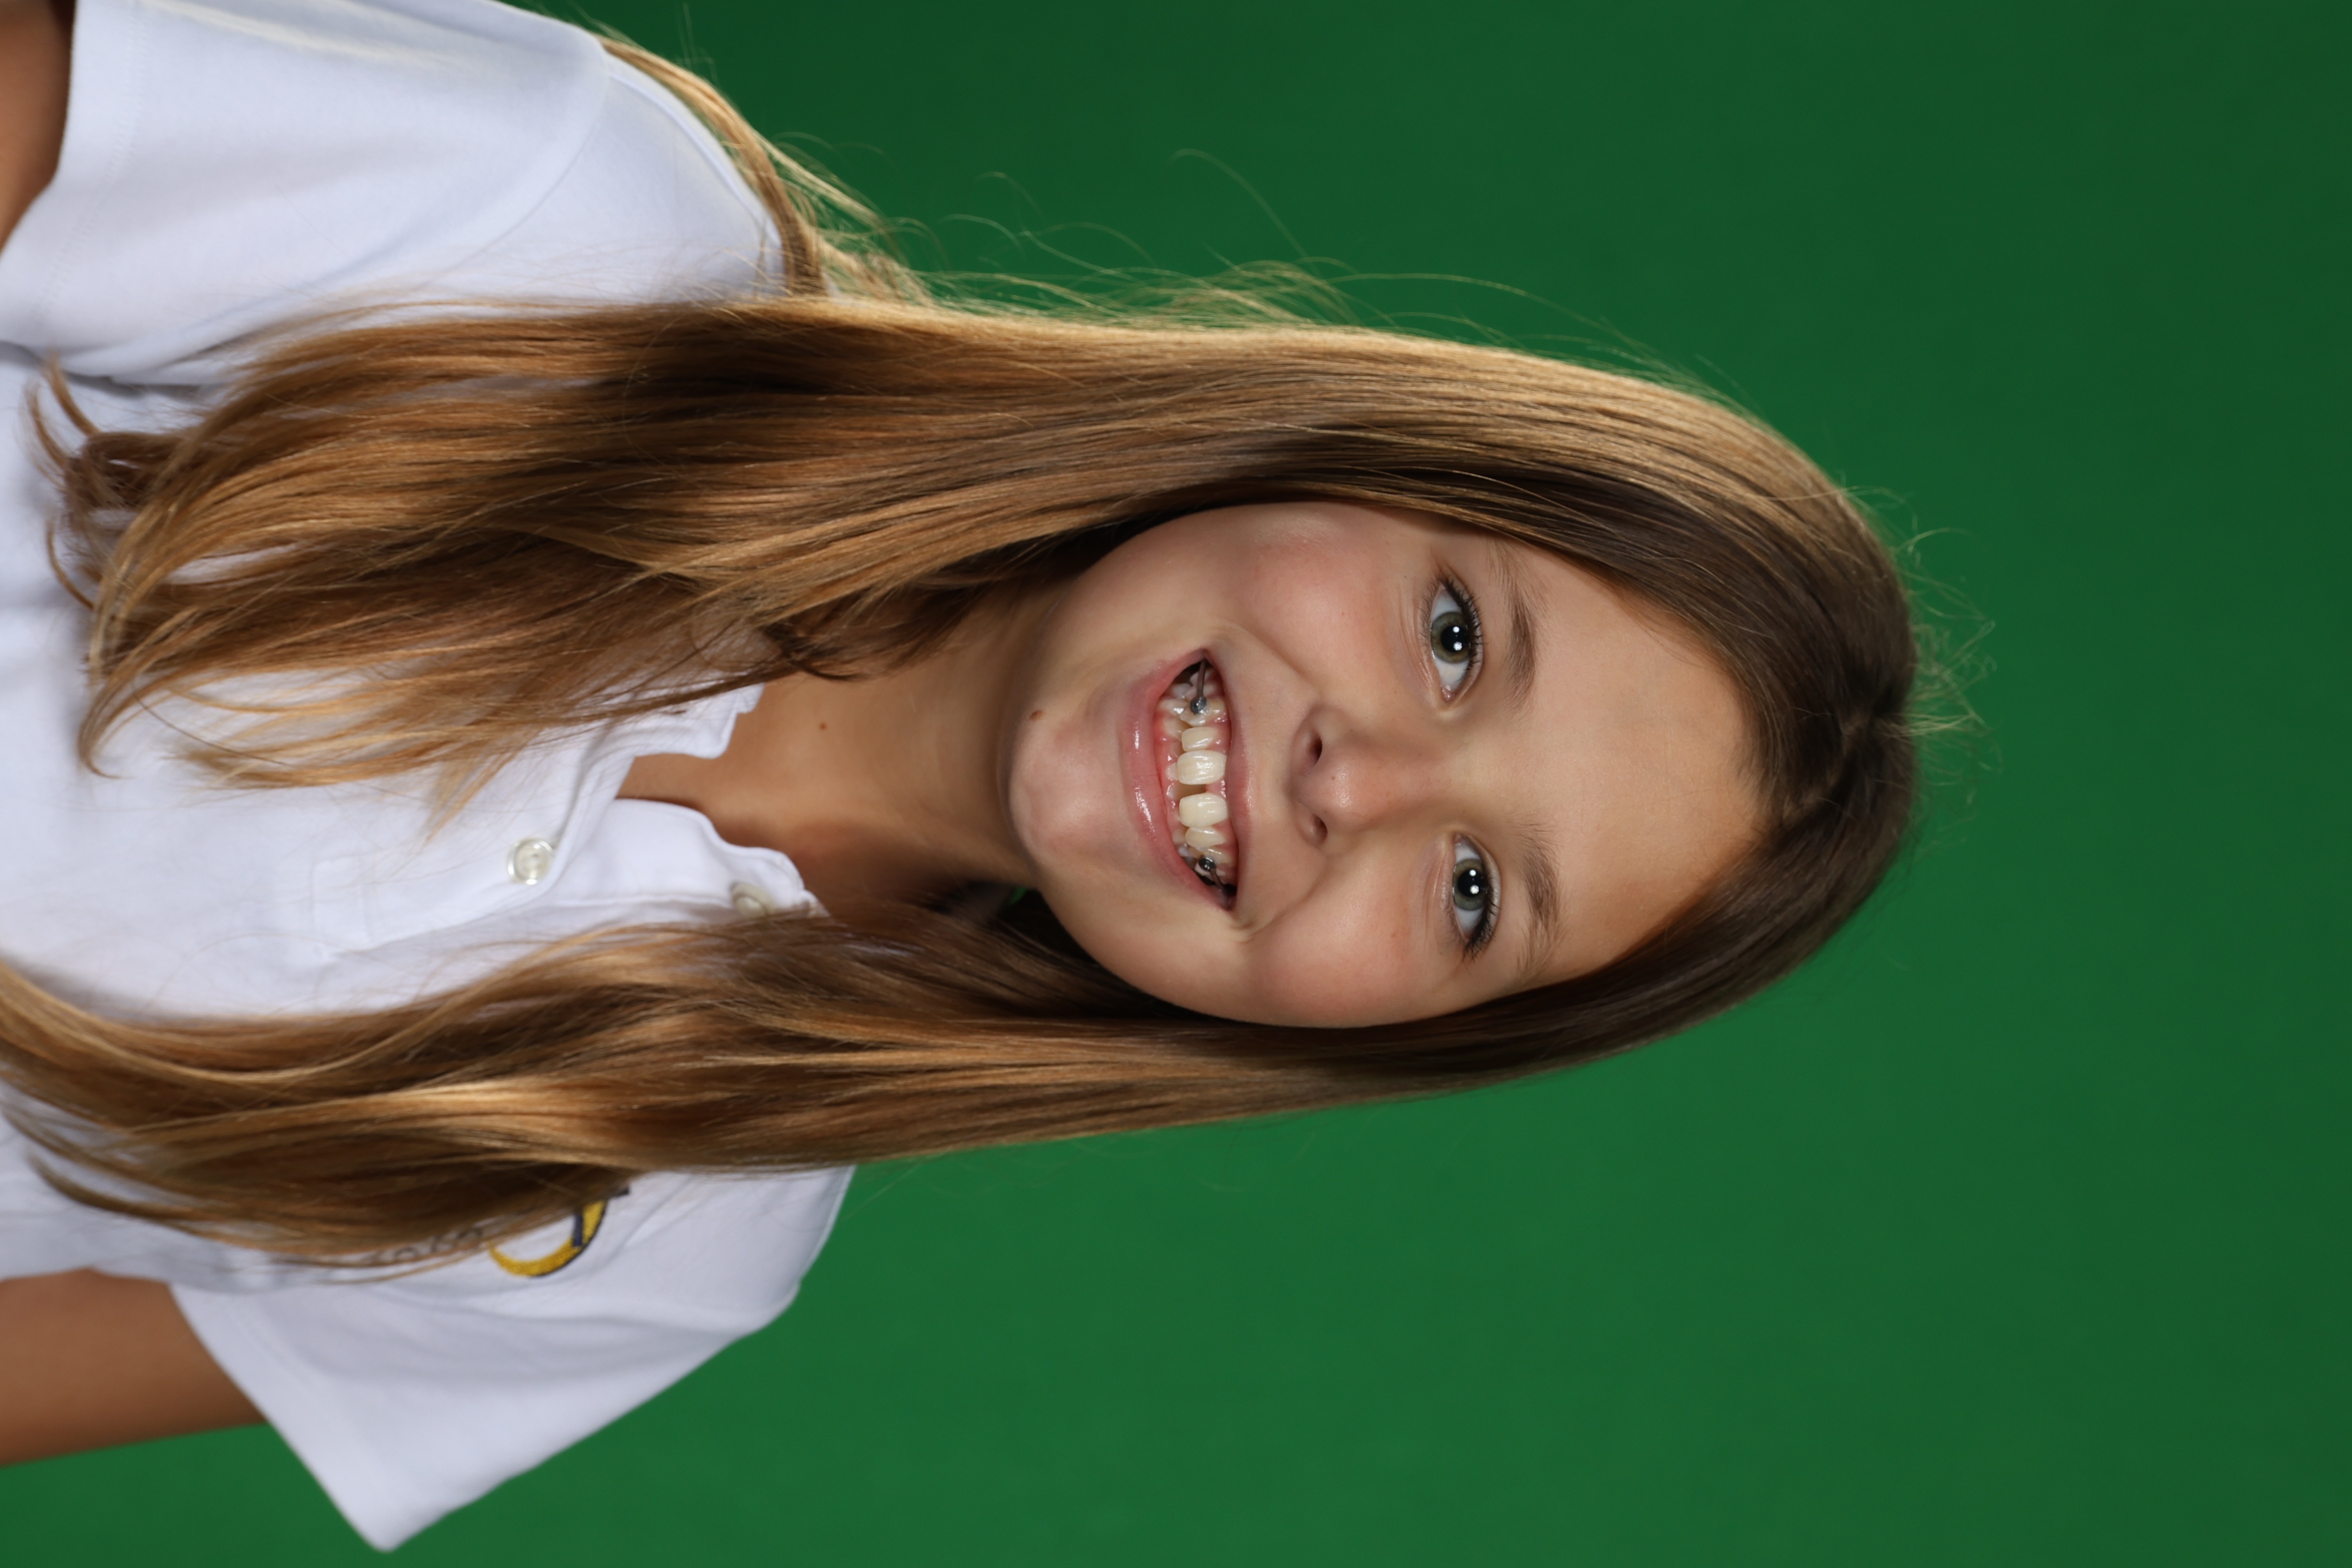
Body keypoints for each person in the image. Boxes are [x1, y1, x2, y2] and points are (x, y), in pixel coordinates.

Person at [0, 0, 1919, 1548]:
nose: (1368, 780)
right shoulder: (581, 237)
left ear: (1389, 1042)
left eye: (1478, 891)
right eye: (1455, 637)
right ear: (1356, 456)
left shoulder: (679, 1232)